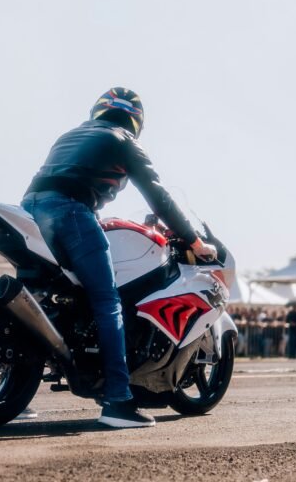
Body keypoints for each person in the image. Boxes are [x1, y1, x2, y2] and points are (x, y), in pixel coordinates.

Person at [21, 87, 217, 428]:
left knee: (34, 299)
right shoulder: (124, 140)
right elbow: (158, 196)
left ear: (99, 110)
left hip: (30, 208)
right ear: (135, 119)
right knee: (107, 301)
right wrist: (194, 241)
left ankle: (15, 392)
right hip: (70, 211)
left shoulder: (71, 134)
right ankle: (117, 401)